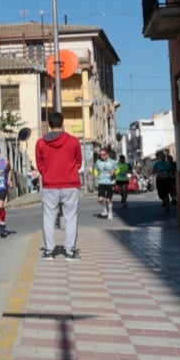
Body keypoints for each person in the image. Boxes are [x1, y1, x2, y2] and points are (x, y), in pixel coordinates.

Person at [35, 111, 82, 259]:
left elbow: (40, 164)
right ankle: (70, 252)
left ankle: (49, 251)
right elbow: (78, 162)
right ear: (62, 123)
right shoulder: (73, 141)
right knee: (70, 217)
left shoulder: (40, 143)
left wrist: (47, 174)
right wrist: (70, 171)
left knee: (49, 217)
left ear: (49, 125)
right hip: (70, 184)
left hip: (50, 185)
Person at [93, 147, 119, 219]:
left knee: (108, 200)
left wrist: (114, 172)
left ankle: (110, 212)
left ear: (107, 154)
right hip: (101, 182)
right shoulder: (98, 162)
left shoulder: (113, 162)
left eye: (104, 154)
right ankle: (105, 209)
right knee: (100, 200)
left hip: (110, 182)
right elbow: (95, 169)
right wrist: (95, 174)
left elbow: (118, 169)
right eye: (101, 155)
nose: (102, 156)